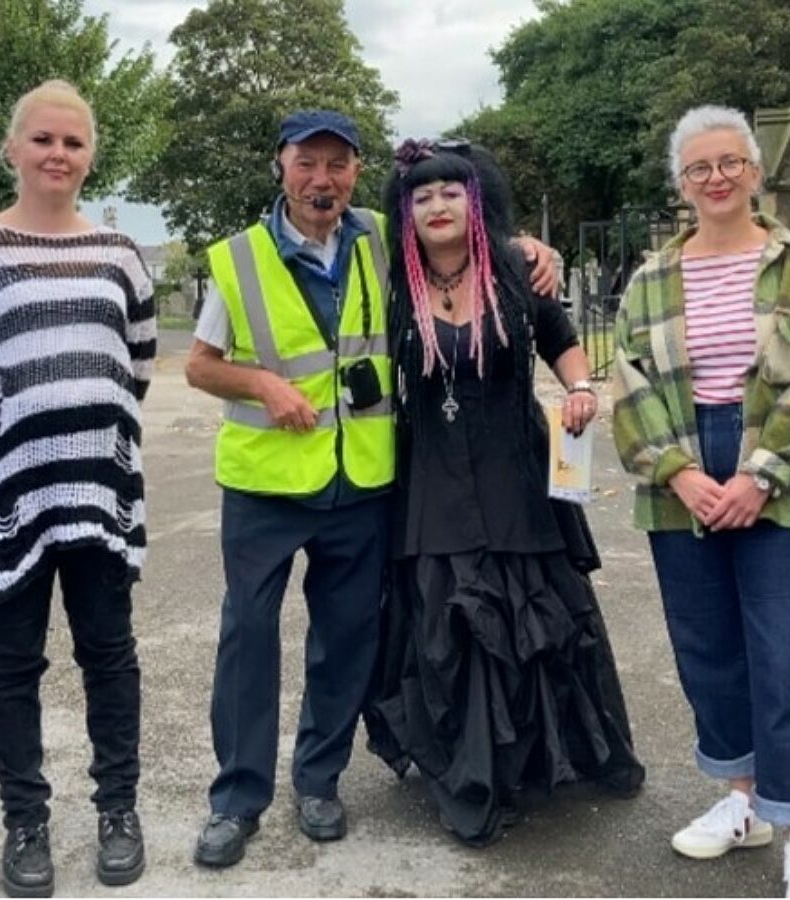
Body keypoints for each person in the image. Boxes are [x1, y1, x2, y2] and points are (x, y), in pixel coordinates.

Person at [186, 110, 559, 867]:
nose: (321, 180)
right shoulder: (239, 259)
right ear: (280, 167)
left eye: (337, 165)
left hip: (360, 480)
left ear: (356, 172)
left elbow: (465, 242)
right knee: (248, 640)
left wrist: (528, 246)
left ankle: (319, 779)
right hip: (265, 484)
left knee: (346, 641)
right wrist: (261, 383)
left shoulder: (383, 242)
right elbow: (199, 363)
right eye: (306, 163)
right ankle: (238, 798)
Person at [362, 138, 644, 847]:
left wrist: (581, 388)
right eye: (422, 196)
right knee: (445, 617)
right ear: (406, 211)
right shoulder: (392, 281)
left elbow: (560, 338)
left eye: (450, 192)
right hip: (430, 477)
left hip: (516, 468)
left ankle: (539, 761)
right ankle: (470, 771)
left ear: (475, 199)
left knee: (536, 609)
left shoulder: (516, 270)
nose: (436, 206)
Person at [0, 80, 155, 898]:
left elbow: (136, 366)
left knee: (109, 654)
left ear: (91, 156)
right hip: (8, 496)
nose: (60, 155)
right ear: (14, 149)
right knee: (12, 662)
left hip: (100, 490)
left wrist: (86, 432)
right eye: (45, 140)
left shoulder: (121, 254)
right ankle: (25, 822)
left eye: (75, 143)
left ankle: (118, 809)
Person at [610, 105, 790, 898]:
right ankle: (743, 802)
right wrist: (677, 471)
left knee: (781, 653)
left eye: (728, 163)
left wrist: (761, 473)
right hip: (682, 467)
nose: (715, 178)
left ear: (755, 171)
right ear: (681, 183)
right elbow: (630, 379)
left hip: (776, 463)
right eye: (697, 167)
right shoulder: (649, 279)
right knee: (707, 649)